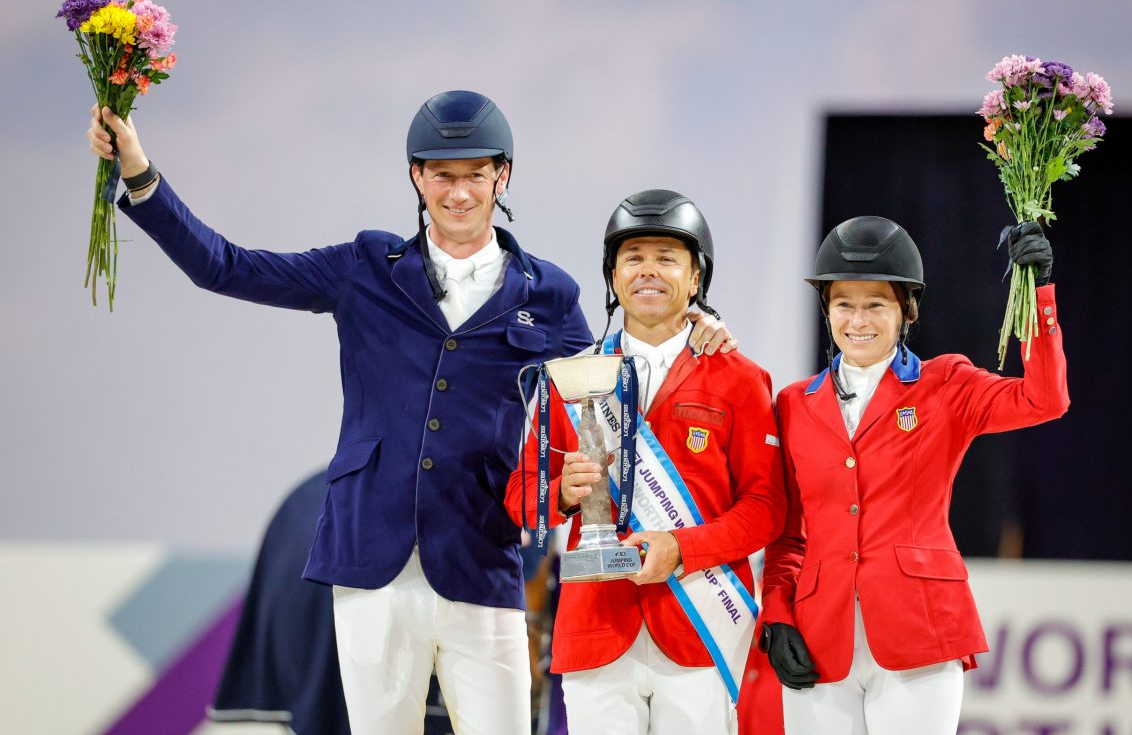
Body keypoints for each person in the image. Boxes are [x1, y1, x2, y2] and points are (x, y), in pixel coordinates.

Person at [86, 94, 734, 735]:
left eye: (475, 175)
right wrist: (141, 174)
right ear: (416, 175)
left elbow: (611, 401)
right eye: (442, 174)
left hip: (483, 558)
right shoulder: (363, 267)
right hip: (370, 561)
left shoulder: (550, 294)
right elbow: (223, 266)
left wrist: (691, 330)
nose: (458, 193)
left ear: (501, 176)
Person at [759, 216, 1068, 734]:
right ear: (826, 310)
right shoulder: (793, 404)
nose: (858, 320)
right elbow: (788, 534)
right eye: (843, 304)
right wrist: (777, 617)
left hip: (920, 630)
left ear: (906, 311)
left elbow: (1044, 399)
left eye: (876, 304)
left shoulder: (945, 384)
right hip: (818, 637)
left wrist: (1037, 294)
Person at [505, 189, 785, 735]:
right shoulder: (571, 377)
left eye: (667, 258)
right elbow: (521, 498)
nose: (648, 271)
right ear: (612, 276)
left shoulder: (741, 379)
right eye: (633, 258)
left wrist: (683, 547)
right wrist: (562, 490)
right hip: (596, 628)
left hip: (700, 628)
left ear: (696, 277)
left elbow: (767, 507)